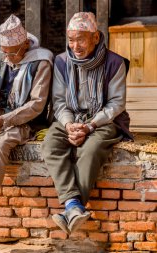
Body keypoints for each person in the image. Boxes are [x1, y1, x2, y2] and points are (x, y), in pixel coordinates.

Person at [41, 12, 133, 235]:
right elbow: (60, 101)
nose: (75, 45)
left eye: (80, 39)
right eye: (71, 39)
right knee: (50, 144)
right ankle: (74, 206)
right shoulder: (61, 62)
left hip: (104, 120)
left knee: (90, 150)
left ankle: (71, 207)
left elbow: (116, 103)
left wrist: (90, 126)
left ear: (96, 37)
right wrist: (69, 125)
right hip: (70, 119)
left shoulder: (115, 62)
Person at [0, 14, 53, 231]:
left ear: (24, 45)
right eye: (4, 53)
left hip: (25, 122)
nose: (7, 58)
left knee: (1, 145)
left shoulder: (42, 61)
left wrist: (4, 121)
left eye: (12, 54)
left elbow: (37, 105)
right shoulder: (3, 56)